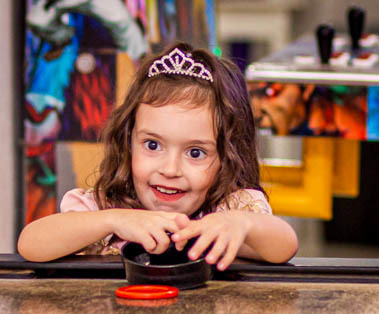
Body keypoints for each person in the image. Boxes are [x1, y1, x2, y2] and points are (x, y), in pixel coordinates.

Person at [18, 43, 298, 270]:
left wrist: (243, 224)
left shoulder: (231, 210)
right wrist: (114, 220)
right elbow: (30, 244)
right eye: (152, 145)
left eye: (195, 152)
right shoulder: (105, 206)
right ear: (128, 141)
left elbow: (284, 246)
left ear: (227, 157)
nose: (170, 168)